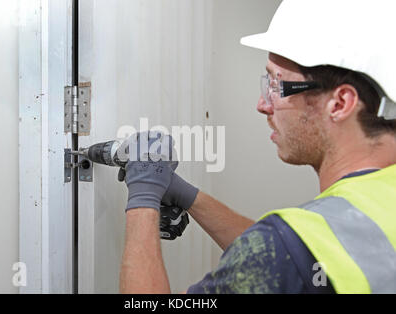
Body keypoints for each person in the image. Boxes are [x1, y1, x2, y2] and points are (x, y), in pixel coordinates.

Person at [119, 0, 396, 294]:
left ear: (340, 104)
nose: (262, 104)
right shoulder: (367, 209)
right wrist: (187, 195)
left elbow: (279, 257)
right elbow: (290, 262)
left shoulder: (285, 250)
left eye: (276, 86)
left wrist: (143, 198)